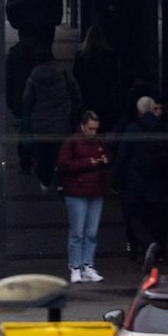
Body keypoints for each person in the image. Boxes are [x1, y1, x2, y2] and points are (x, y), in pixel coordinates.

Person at [114, 95, 168, 263]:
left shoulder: (131, 129)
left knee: (133, 217)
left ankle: (145, 244)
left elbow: (122, 157)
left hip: (136, 183)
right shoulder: (163, 129)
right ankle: (158, 252)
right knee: (157, 219)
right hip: (159, 184)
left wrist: (116, 182)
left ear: (138, 111)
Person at [57, 110, 111, 282]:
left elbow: (109, 157)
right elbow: (63, 165)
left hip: (92, 191)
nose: (93, 132)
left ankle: (86, 265)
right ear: (82, 126)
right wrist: (89, 162)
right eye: (90, 128)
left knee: (90, 232)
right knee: (79, 232)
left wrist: (104, 160)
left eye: (95, 129)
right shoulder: (72, 142)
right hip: (78, 192)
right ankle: (76, 266)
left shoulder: (96, 142)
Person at [20, 55, 81, 189]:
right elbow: (76, 93)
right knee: (61, 154)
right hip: (61, 121)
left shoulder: (33, 78)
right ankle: (60, 181)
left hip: (40, 124)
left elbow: (27, 102)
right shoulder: (63, 74)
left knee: (43, 155)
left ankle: (46, 180)